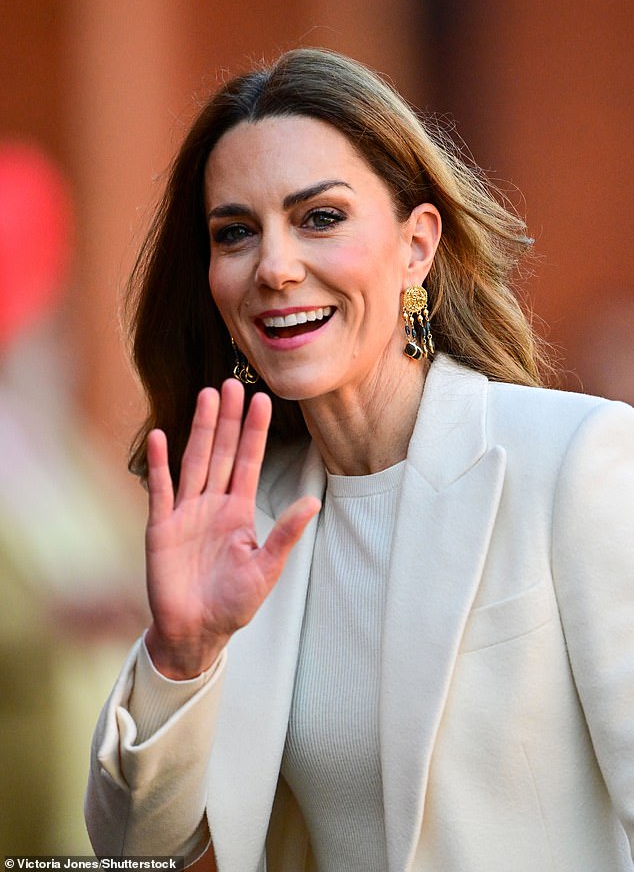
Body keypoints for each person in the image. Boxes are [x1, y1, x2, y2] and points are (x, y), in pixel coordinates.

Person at [85, 48, 634, 871]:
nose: (274, 266)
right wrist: (182, 655)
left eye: (320, 218)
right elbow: (133, 850)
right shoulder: (245, 526)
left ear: (416, 246)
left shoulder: (575, 459)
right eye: (235, 232)